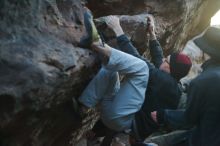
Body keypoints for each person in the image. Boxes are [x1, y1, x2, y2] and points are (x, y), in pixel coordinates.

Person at [77, 10, 192, 145]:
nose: (162, 61)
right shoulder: (170, 83)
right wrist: (152, 34)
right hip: (116, 116)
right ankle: (84, 105)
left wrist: (117, 29)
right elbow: (158, 58)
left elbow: (137, 59)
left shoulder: (165, 83)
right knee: (111, 68)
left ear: (171, 69)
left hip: (122, 121)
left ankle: (97, 44)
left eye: (166, 61)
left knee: (141, 67)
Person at [151, 26, 220, 146]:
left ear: (203, 50)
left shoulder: (201, 82)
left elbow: (189, 119)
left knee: (151, 142)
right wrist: (153, 38)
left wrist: (164, 115)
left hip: (203, 139)